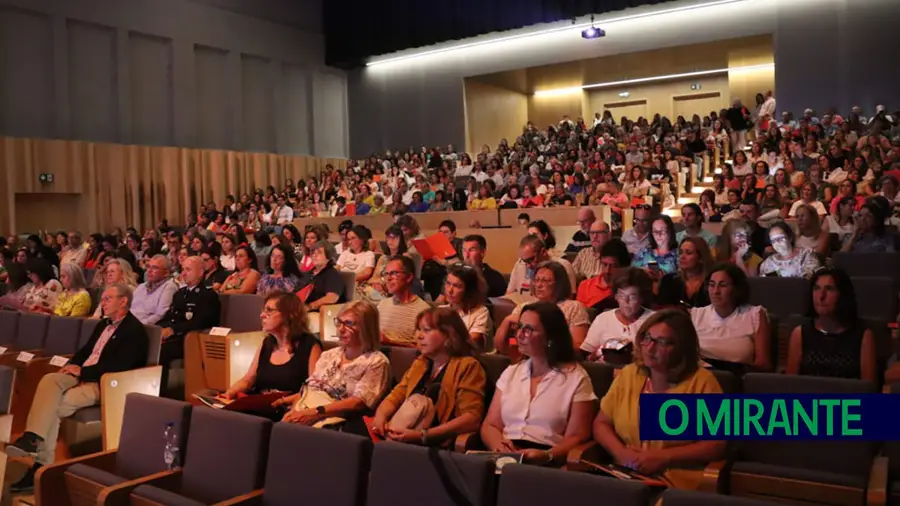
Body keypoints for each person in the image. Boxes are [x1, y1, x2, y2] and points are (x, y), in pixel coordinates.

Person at [5, 284, 148, 491]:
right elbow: (84, 352)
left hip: (106, 383)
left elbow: (121, 367)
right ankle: (32, 438)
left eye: (108, 299)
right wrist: (70, 366)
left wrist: (84, 373)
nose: (102, 303)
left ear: (123, 301)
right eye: (103, 299)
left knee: (58, 404)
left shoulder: (134, 331)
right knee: (50, 379)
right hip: (84, 373)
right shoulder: (102, 325)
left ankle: (40, 465)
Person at [593, 310, 725, 489]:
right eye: (647, 338)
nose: (650, 347)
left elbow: (716, 445)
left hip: (675, 482)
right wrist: (622, 453)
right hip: (625, 476)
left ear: (681, 348)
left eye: (662, 342)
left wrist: (662, 457)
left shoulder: (702, 382)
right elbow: (601, 423)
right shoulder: (630, 374)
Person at [480, 302, 595, 466]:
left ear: (549, 338)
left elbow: (577, 436)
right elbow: (491, 424)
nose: (520, 334)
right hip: (505, 454)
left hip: (546, 458)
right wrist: (498, 446)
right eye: (519, 327)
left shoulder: (576, 378)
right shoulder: (511, 372)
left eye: (529, 329)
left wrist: (547, 455)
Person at [371, 307, 486, 446]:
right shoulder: (421, 362)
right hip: (404, 436)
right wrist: (380, 417)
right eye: (418, 329)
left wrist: (422, 436)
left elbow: (471, 419)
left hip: (435, 443)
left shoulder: (467, 366)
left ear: (449, 335)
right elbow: (395, 396)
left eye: (426, 330)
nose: (419, 336)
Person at [282, 301, 390, 436]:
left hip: (343, 426)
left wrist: (315, 413)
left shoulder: (376, 361)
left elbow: (358, 403)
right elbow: (309, 390)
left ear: (365, 328)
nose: (341, 329)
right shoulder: (329, 355)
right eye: (339, 322)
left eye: (349, 323)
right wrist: (295, 412)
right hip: (310, 413)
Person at [221, 292, 322, 420]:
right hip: (259, 408)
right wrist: (231, 392)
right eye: (263, 310)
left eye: (269, 311)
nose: (262, 315)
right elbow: (248, 379)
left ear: (289, 315)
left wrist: (287, 402)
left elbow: (313, 390)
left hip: (289, 411)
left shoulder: (310, 345)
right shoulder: (266, 343)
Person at [786, 268, 876, 382]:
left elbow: (868, 388)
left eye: (829, 289)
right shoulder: (800, 333)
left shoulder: (863, 335)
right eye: (816, 289)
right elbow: (790, 385)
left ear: (842, 295)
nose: (821, 296)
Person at [156, 256, 221, 393]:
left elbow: (200, 322)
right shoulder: (179, 294)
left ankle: (159, 393)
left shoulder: (208, 296)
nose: (183, 273)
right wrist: (157, 329)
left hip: (189, 340)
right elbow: (170, 316)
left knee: (160, 351)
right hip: (174, 338)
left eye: (188, 269)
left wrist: (173, 330)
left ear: (201, 272)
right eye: (182, 269)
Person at [691, 263, 771, 370]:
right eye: (712, 285)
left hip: (738, 380)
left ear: (736, 289)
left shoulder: (754, 314)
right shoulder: (696, 315)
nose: (715, 292)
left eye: (722, 285)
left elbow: (763, 363)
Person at [496, 261, 590, 351]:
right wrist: (506, 321)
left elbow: (577, 348)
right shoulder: (524, 307)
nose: (539, 285)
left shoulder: (574, 307)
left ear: (559, 284)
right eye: (536, 280)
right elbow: (502, 348)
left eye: (545, 280)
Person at [581, 268, 655, 361]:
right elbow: (587, 355)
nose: (626, 302)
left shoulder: (653, 320)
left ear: (642, 297)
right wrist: (600, 352)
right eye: (621, 296)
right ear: (615, 296)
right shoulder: (603, 319)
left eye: (632, 297)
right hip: (606, 371)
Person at [377, 256, 431, 346]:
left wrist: (391, 342)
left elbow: (424, 347)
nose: (388, 279)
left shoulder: (423, 311)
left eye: (393, 273)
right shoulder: (382, 305)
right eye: (386, 274)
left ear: (409, 277)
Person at [507, 235, 576, 297]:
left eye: (531, 259)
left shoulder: (562, 265)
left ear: (543, 252)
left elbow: (569, 298)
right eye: (525, 261)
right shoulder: (519, 265)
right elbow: (509, 295)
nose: (528, 266)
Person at [441, 264, 490, 348]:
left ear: (469, 291)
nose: (450, 290)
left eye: (457, 286)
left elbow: (472, 341)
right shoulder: (440, 310)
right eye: (448, 283)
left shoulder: (481, 312)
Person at [576, 238, 631, 311]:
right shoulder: (585, 286)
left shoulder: (631, 288)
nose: (607, 271)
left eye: (613, 266)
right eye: (604, 265)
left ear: (623, 267)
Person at [657, 237, 712, 308]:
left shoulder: (711, 283)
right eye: (680, 252)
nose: (682, 257)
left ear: (701, 258)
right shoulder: (669, 280)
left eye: (688, 253)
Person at [130, 255, 179, 325]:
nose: (149, 271)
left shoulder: (169, 287)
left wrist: (138, 326)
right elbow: (129, 308)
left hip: (146, 328)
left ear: (166, 273)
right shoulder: (141, 286)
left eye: (154, 268)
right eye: (148, 267)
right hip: (130, 325)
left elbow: (160, 315)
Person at [299, 241, 347, 311]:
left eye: (319, 252)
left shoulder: (332, 275)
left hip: (321, 312)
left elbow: (331, 298)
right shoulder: (308, 274)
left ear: (329, 256)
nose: (314, 255)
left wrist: (310, 306)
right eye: (313, 253)